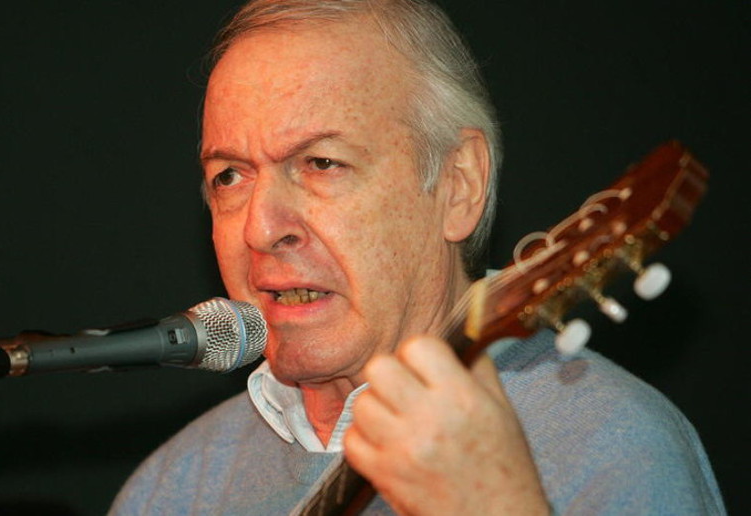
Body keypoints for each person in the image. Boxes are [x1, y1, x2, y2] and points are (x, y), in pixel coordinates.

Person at [111, 0, 725, 514]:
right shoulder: (174, 487)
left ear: (459, 185)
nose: (261, 228)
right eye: (229, 176)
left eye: (322, 163)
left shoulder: (606, 446)